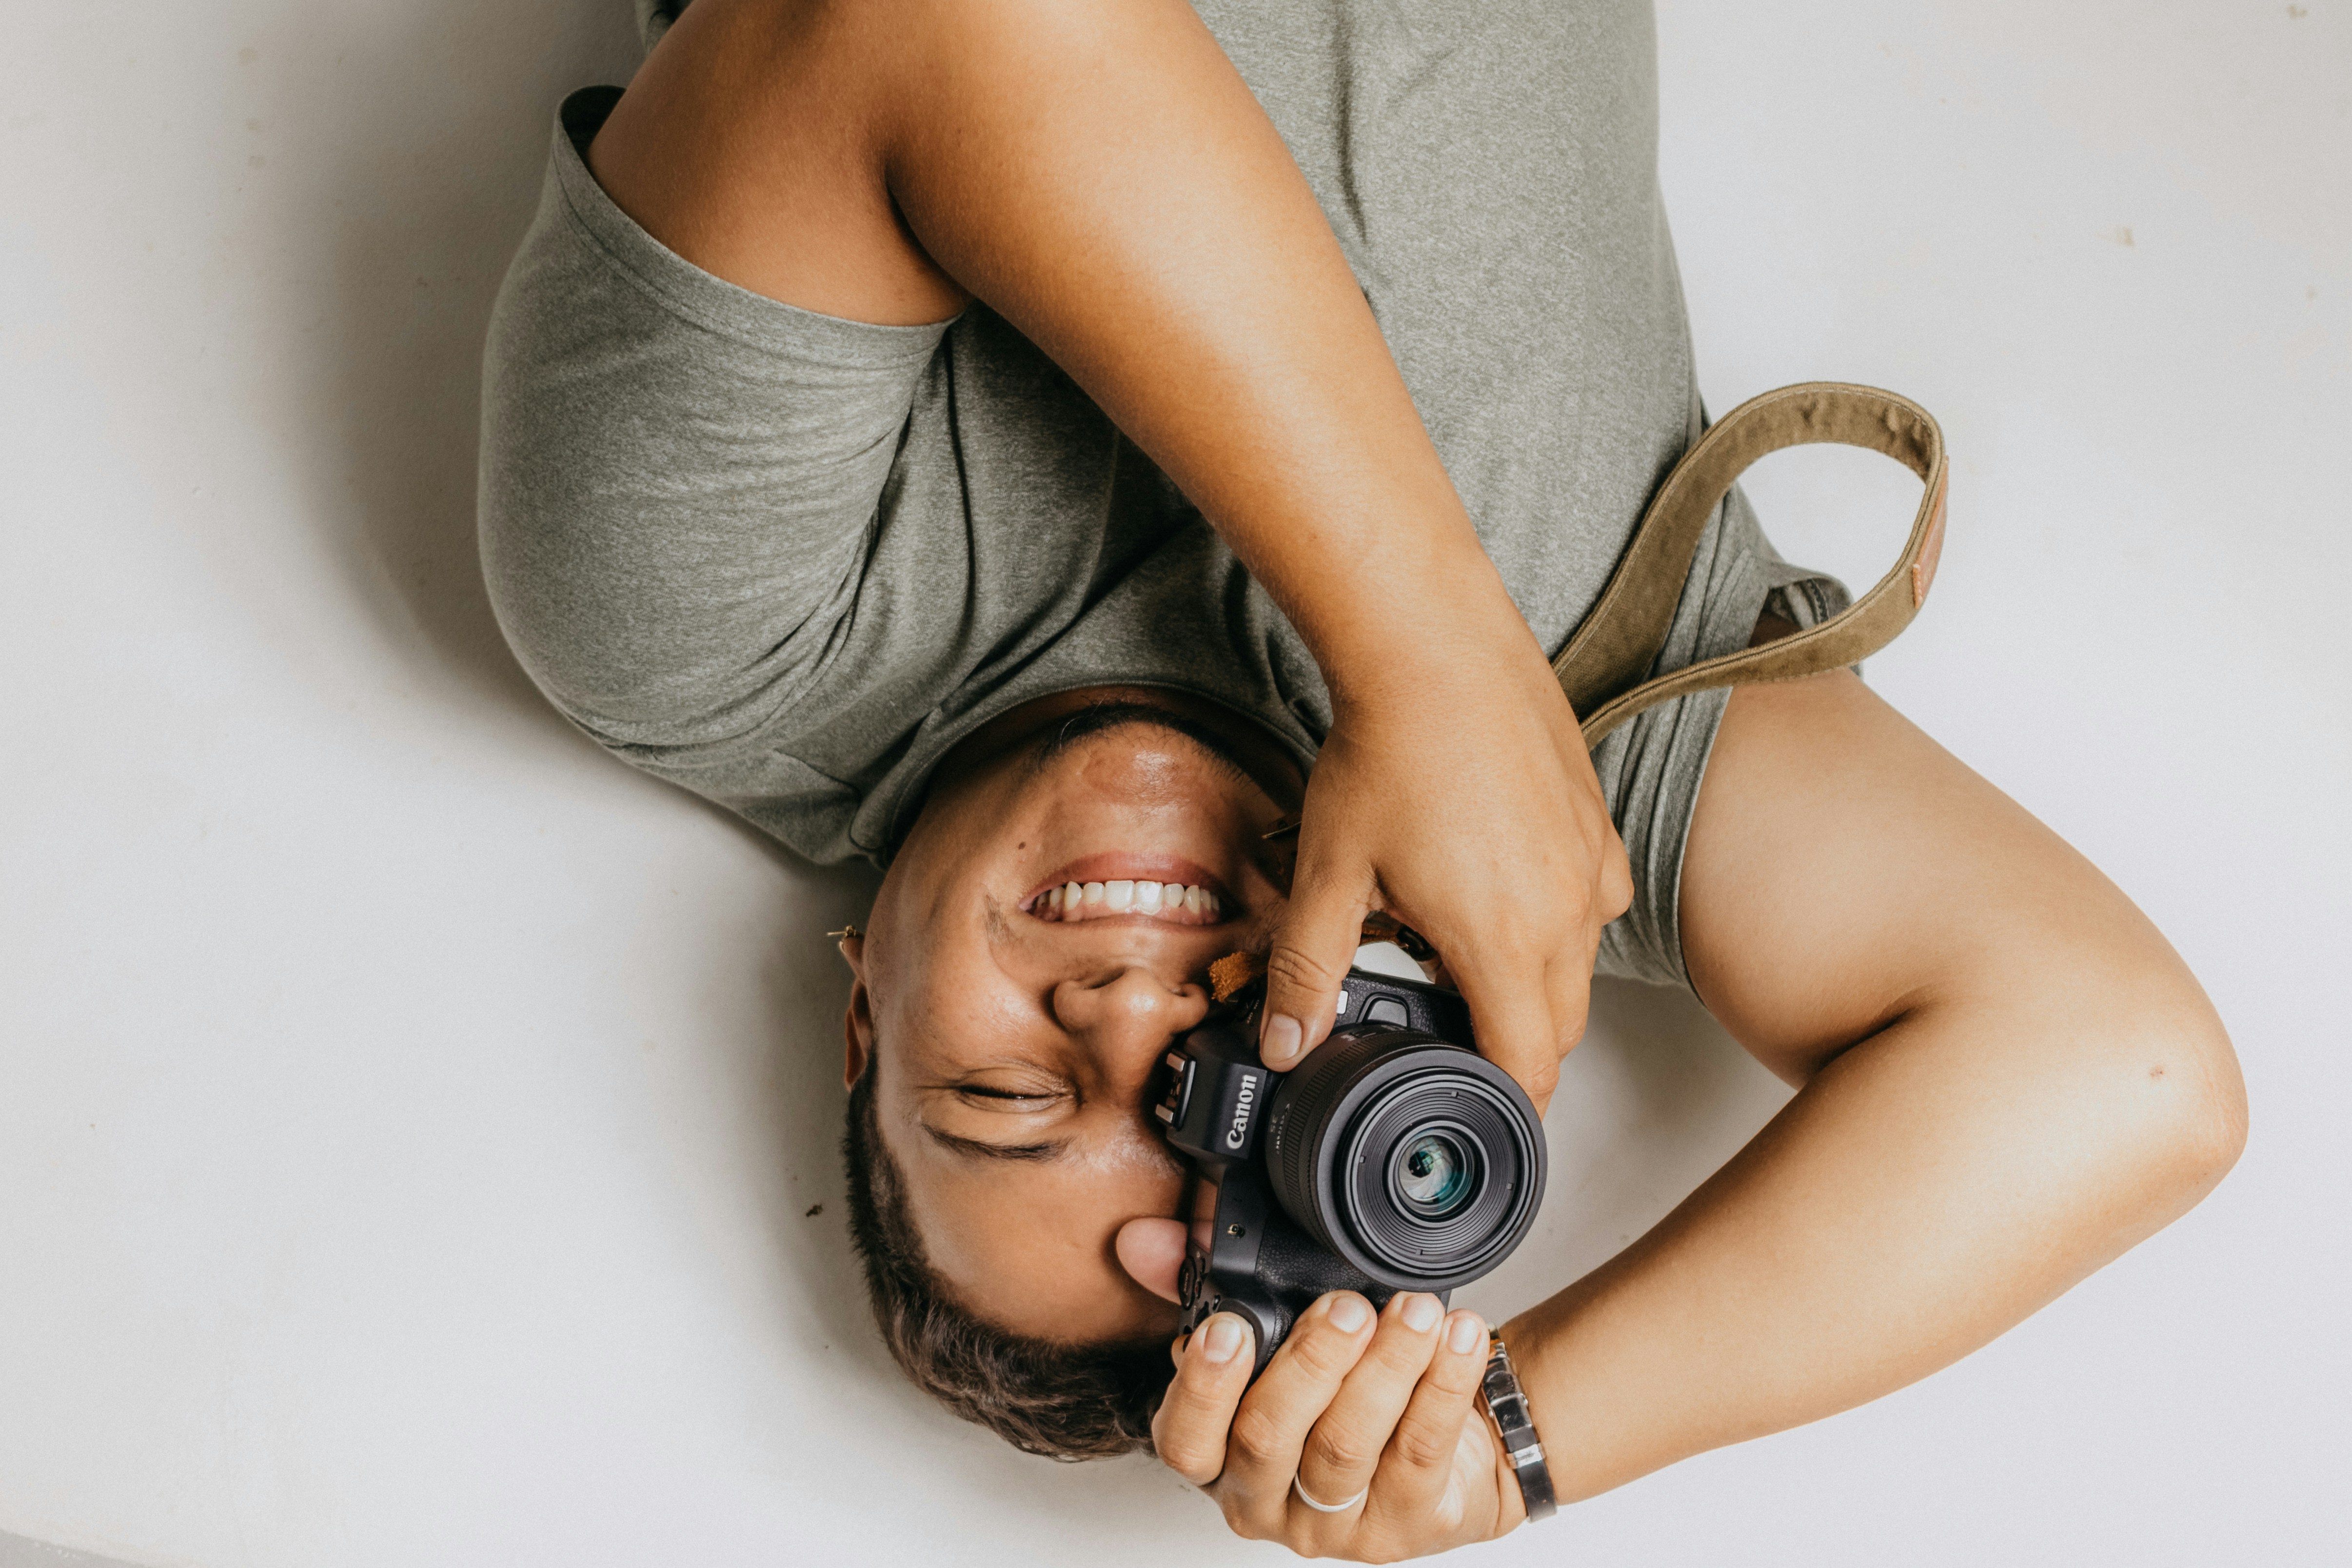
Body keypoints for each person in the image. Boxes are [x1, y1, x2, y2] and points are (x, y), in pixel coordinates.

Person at [476, 0, 2246, 1556]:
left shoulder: (724, 642)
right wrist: (1507, 1448)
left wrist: (1427, 657)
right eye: (1212, 1089)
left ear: (863, 1011)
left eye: (1008, 1097)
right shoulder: (1573, 800)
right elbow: (2127, 1074)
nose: (1116, 1009)